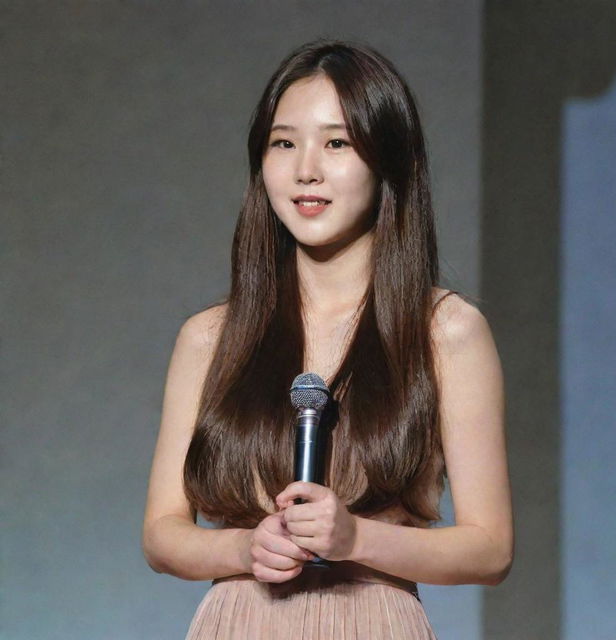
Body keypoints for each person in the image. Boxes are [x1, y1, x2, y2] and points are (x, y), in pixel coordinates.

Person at [142, 38, 513, 639]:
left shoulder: (446, 332)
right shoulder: (210, 337)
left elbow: (491, 550)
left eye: (337, 142)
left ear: (386, 160)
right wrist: (243, 551)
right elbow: (162, 532)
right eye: (283, 143)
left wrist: (357, 538)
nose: (305, 168)